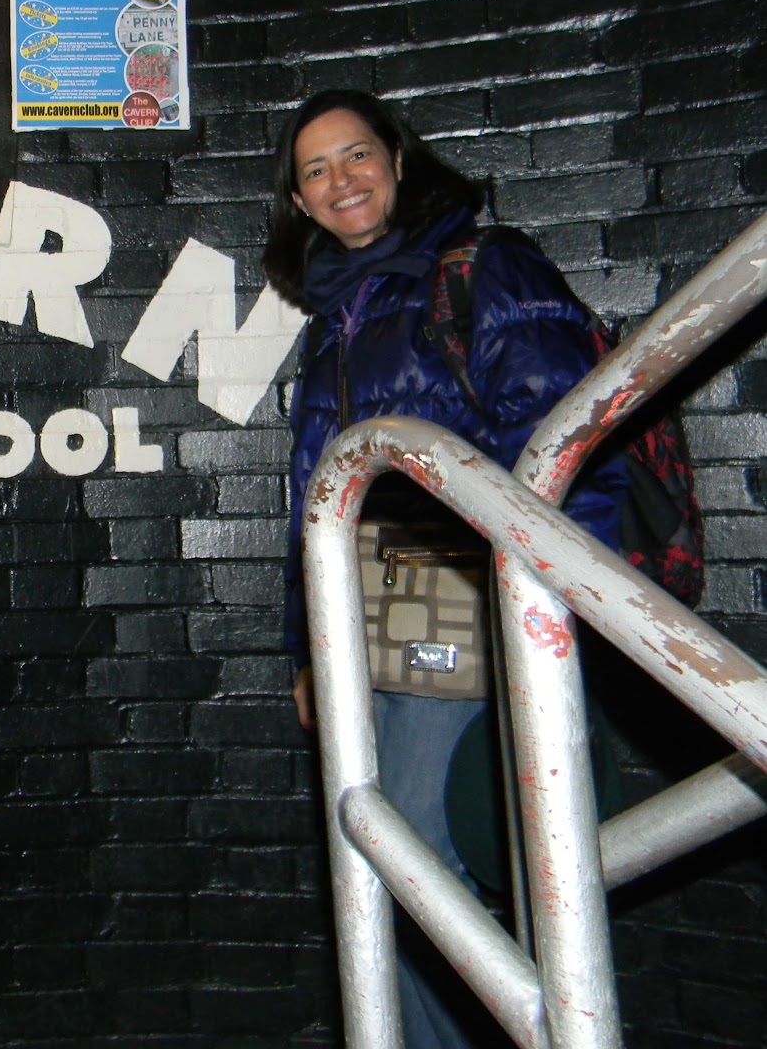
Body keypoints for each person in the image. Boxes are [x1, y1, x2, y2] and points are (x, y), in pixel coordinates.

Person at [264, 89, 627, 1048]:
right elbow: (313, 502)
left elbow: (571, 447)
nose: (341, 180)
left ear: (397, 157)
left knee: (412, 862)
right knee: (380, 862)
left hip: (473, 606)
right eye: (315, 170)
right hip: (367, 622)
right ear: (298, 202)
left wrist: (556, 613)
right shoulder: (338, 314)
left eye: (356, 154)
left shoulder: (483, 268)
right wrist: (309, 648)